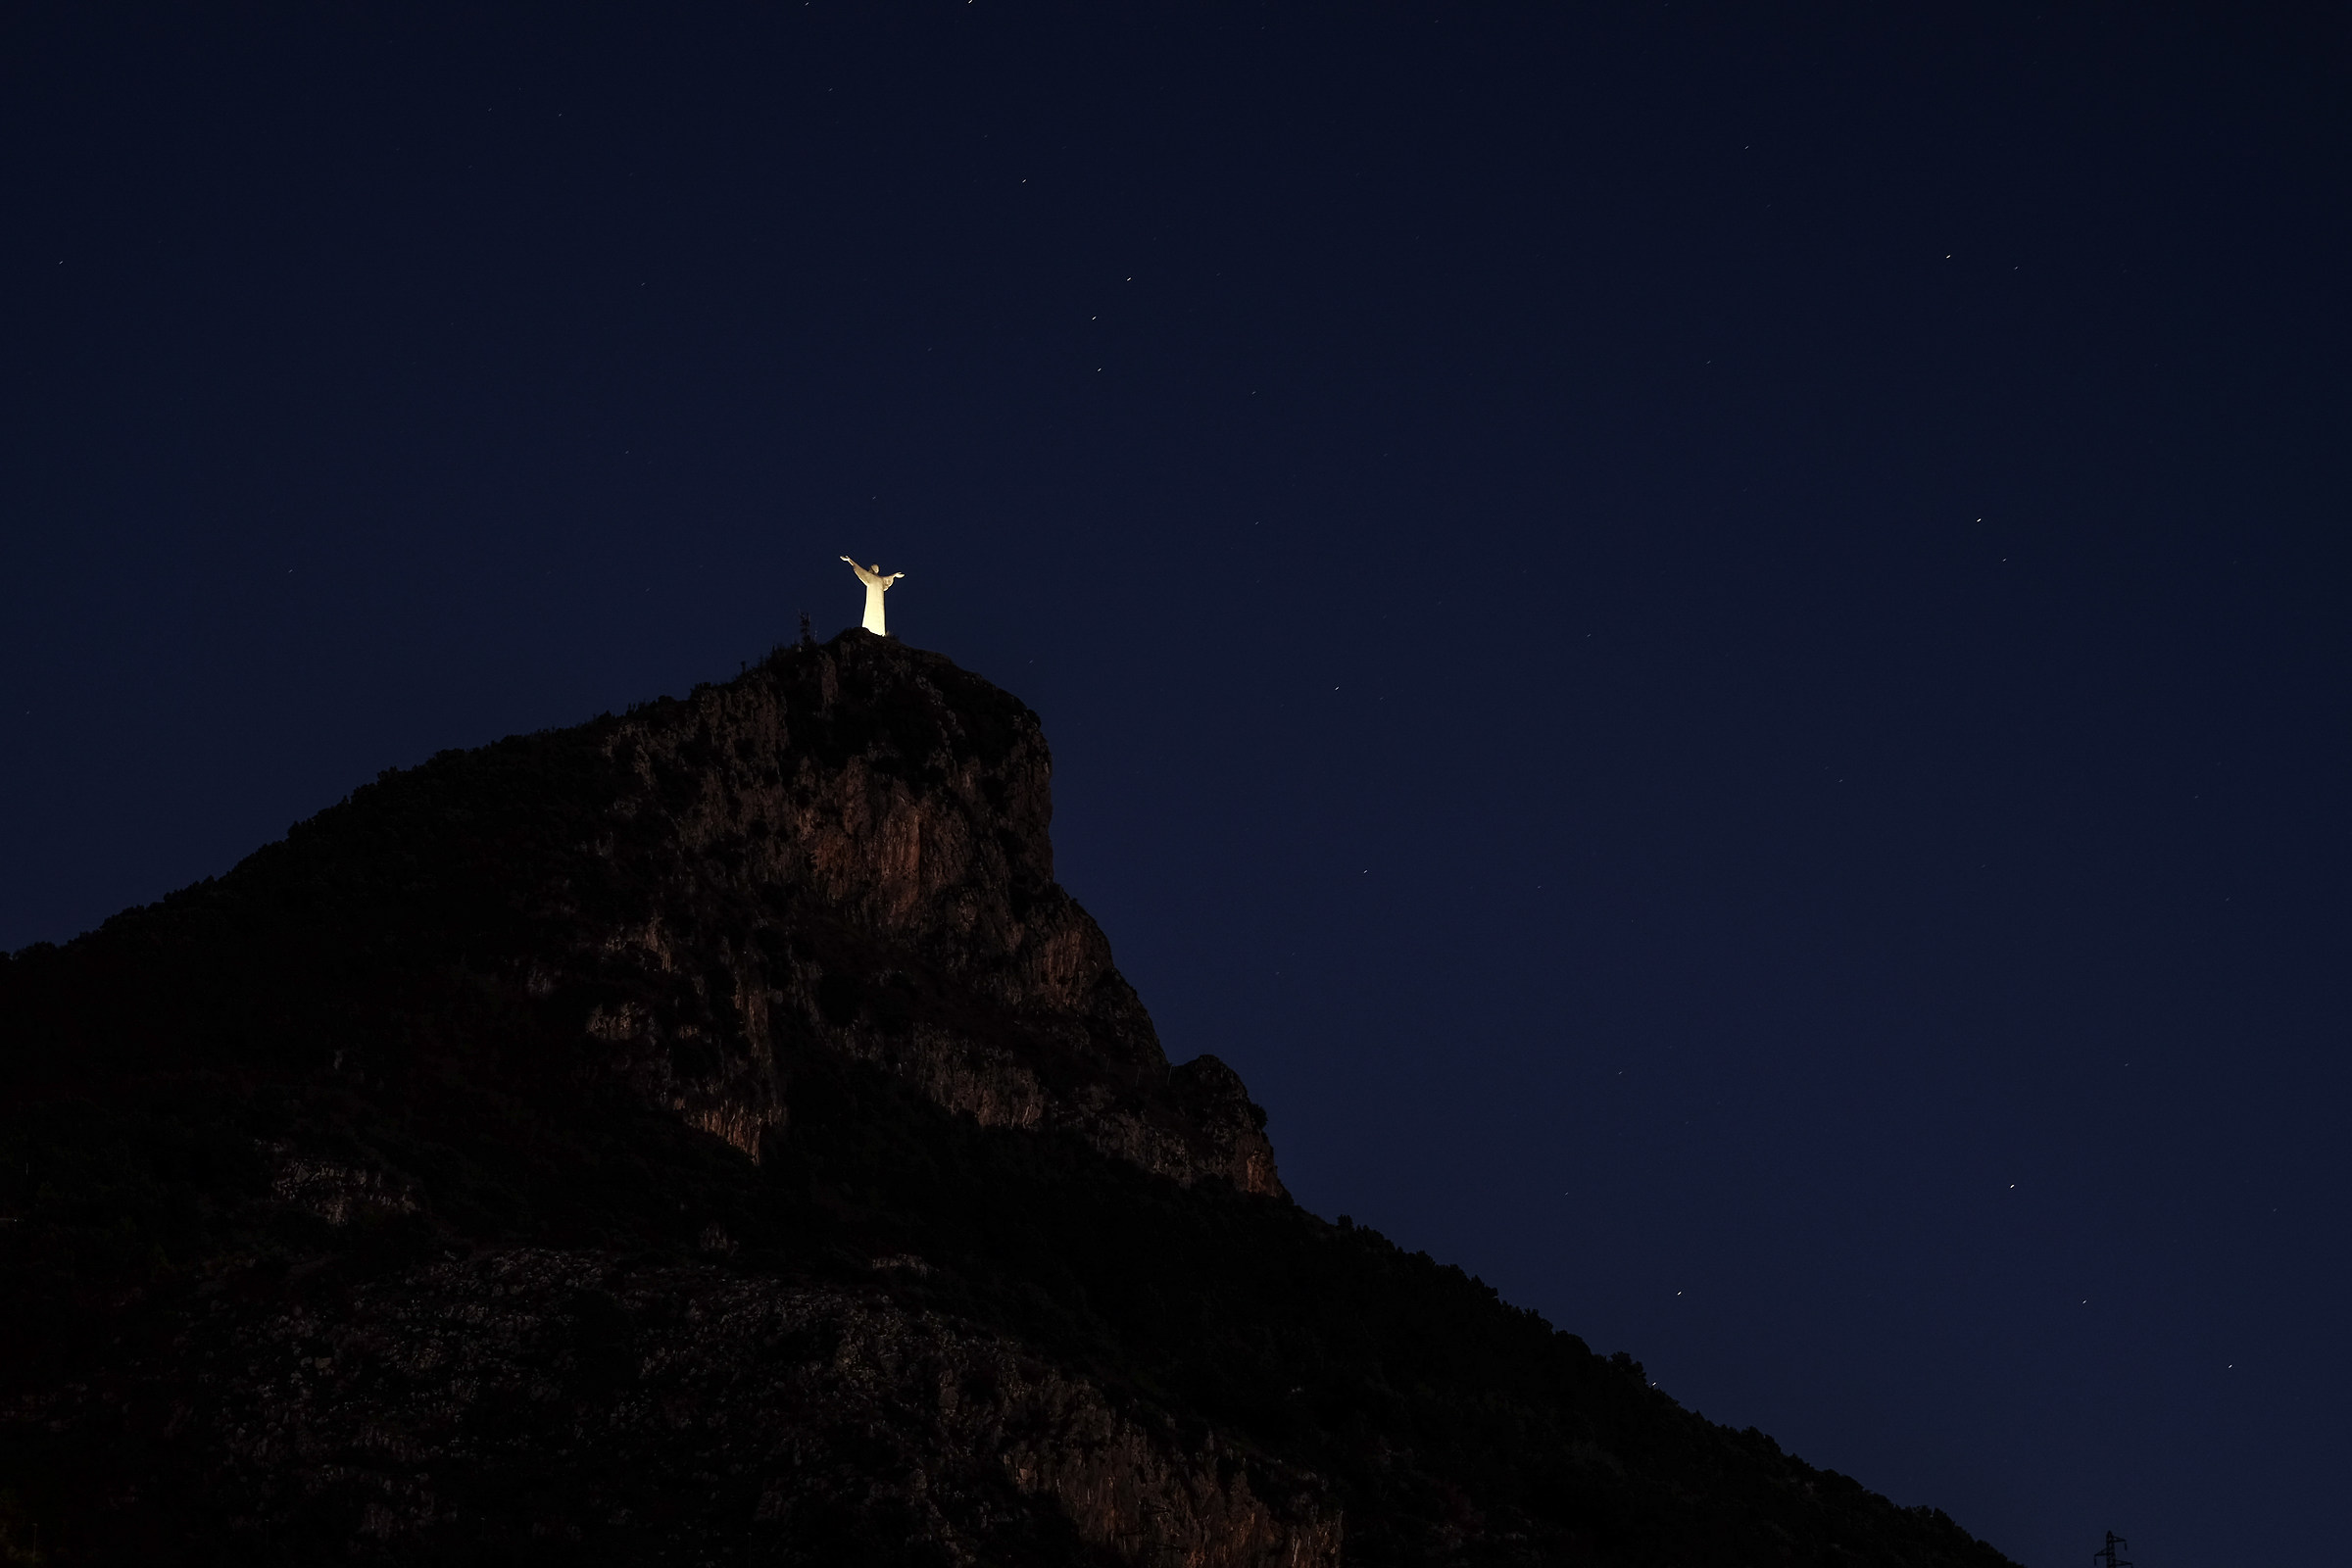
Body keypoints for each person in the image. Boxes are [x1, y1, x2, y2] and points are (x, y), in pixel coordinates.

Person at [840, 557, 903, 636]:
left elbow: (888, 578)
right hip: (872, 598)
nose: (877, 569)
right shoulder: (870, 576)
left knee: (879, 614)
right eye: (875, 568)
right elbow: (860, 569)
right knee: (871, 610)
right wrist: (850, 560)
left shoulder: (881, 579)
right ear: (872, 568)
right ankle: (869, 631)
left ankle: (879, 633)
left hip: (880, 599)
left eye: (877, 568)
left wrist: (895, 575)